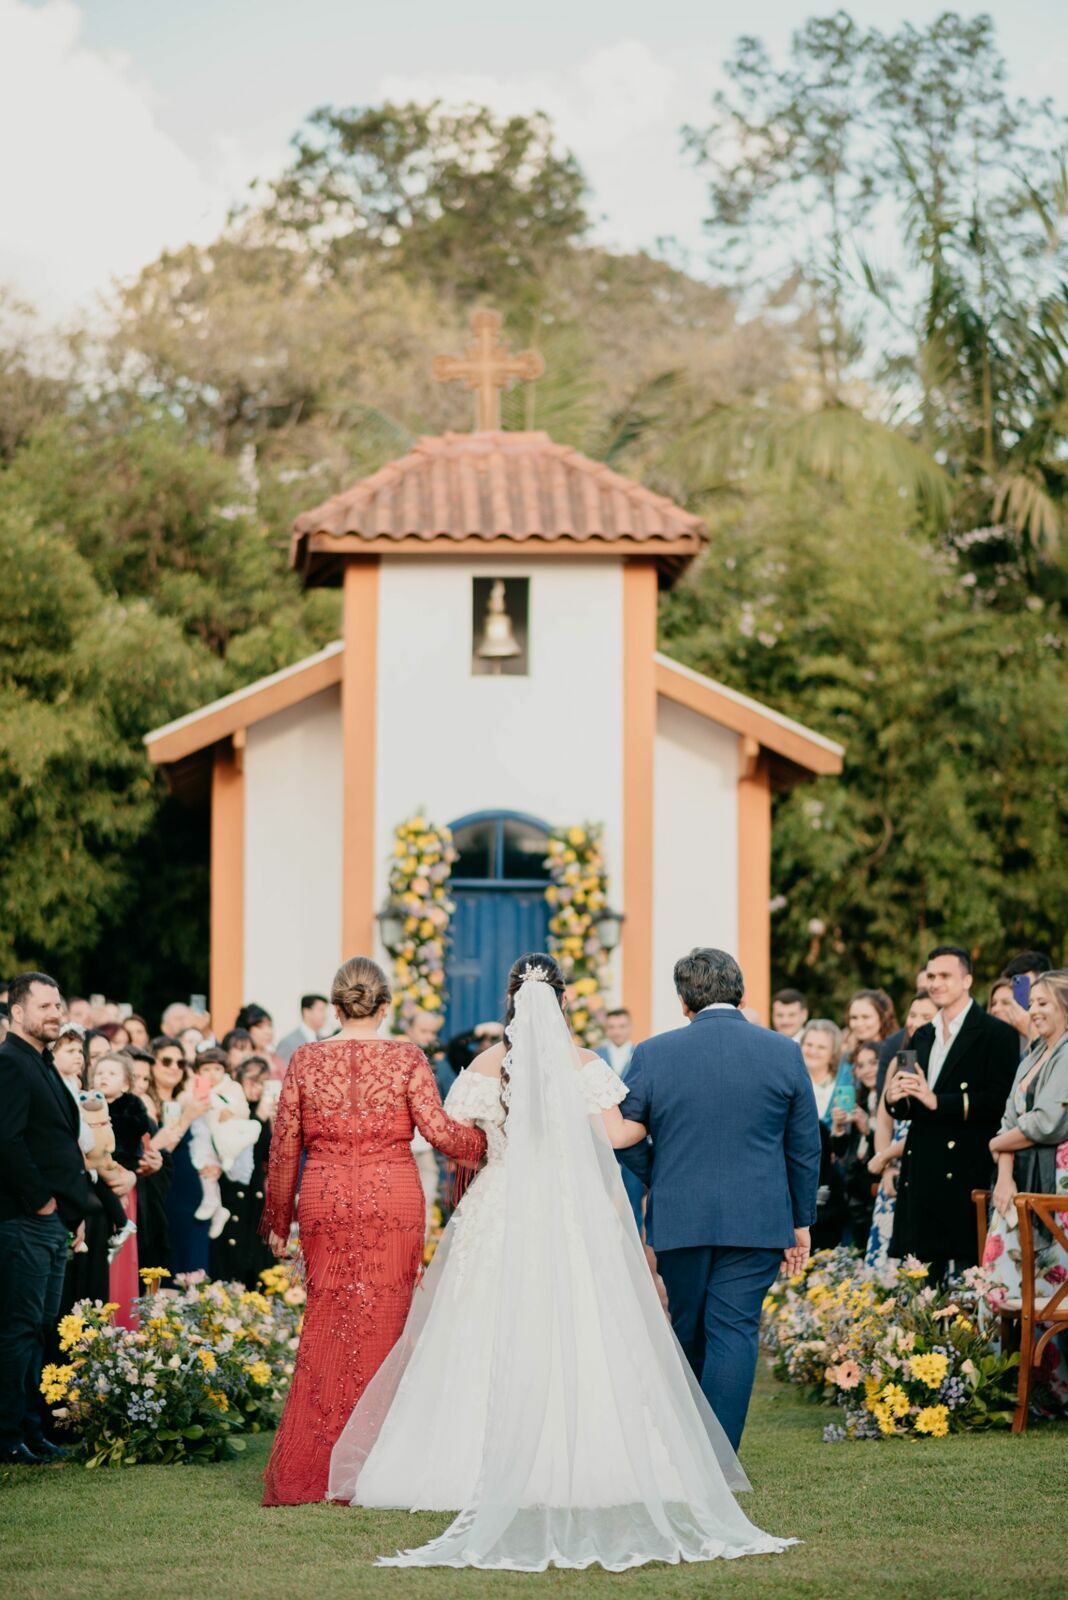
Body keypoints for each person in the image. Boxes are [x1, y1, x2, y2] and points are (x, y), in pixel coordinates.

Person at [328, 952, 795, 1572]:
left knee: (483, 1322)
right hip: (571, 1208)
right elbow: (620, 1135)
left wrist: (493, 1149)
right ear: (564, 1001)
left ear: (512, 1000)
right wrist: (652, 1126)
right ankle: (598, 1456)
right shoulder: (586, 1066)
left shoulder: (487, 1064)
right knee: (580, 1318)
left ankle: (451, 1461)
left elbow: (445, 1134)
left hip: (501, 1204)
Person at [261, 956, 487, 1507]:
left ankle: (312, 1469)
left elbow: (285, 1143)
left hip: (324, 1197)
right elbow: (437, 1130)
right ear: (384, 1008)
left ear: (335, 1007)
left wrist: (276, 1220)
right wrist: (487, 1142)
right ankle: (378, 1464)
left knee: (327, 1320)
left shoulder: (306, 1059)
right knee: (388, 1323)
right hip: (392, 1198)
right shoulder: (407, 1057)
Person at [618, 948, 820, 1455]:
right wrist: (801, 1221)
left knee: (687, 1326)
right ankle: (717, 1459)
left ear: (685, 1001)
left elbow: (622, 1136)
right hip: (758, 1217)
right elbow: (803, 1145)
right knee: (734, 1329)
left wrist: (658, 1175)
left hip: (680, 1215)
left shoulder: (652, 1053)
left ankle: (690, 1454)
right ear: (742, 992)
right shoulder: (783, 1051)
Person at [888, 945, 1020, 1277]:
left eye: (945, 975)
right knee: (923, 1281)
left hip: (966, 1168)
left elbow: (1000, 1102)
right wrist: (894, 1097)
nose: (936, 983)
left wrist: (939, 1102)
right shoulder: (923, 1033)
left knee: (969, 1276)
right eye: (931, 976)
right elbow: (910, 1104)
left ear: (967, 980)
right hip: (923, 1170)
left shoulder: (996, 1034)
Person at [0, 973, 88, 1464]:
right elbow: (6, 1141)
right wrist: (43, 1203)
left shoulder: (43, 1064)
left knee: (39, 1328)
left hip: (53, 1225)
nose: (55, 1013)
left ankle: (31, 1430)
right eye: (45, 1006)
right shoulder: (11, 1063)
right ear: (17, 1012)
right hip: (25, 1221)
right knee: (18, 1328)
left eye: (58, 1006)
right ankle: (8, 1434)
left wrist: (70, 1213)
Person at [982, 969, 1068, 1408]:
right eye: (1031, 1003)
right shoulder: (1033, 1052)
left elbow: (1047, 1122)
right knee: (1000, 1279)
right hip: (1020, 1180)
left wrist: (998, 1142)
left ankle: (1051, 1389)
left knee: (1050, 1285)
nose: (1032, 1011)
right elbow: (1010, 1121)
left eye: (1043, 1003)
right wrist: (1004, 1174)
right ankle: (1000, 1380)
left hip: (1058, 1186)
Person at [865, 990, 938, 1282]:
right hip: (893, 1166)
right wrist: (886, 1166)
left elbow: (927, 1127)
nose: (916, 1022)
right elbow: (884, 1120)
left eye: (925, 1016)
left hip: (920, 1160)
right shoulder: (903, 1059)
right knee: (885, 1263)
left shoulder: (938, 1062)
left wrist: (885, 1155)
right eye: (913, 1014)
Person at [146, 1036, 212, 1275]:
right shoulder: (147, 1103)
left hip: (192, 1192)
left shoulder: (184, 1099)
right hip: (166, 1193)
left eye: (180, 1062)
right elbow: (157, 1152)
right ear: (152, 1063)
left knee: (195, 1272)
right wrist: (187, 1117)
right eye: (166, 1061)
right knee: (170, 1270)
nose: (174, 1067)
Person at [210, 1056, 276, 1289]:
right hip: (232, 1188)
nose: (257, 1089)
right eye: (254, 1081)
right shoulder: (232, 1106)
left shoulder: (259, 1111)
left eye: (262, 1084)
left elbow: (266, 1153)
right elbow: (240, 1147)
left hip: (254, 1192)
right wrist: (258, 1117)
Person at [192, 1049, 261, 1238]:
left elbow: (244, 1110)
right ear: (198, 1071)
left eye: (217, 1068)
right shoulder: (197, 1089)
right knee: (204, 1167)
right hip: (207, 1138)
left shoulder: (232, 1087)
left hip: (228, 1135)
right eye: (206, 1069)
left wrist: (231, 1111)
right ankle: (214, 1205)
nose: (212, 1074)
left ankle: (226, 1160)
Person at [595, 1008, 644, 1232]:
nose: (617, 1031)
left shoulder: (641, 1055)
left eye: (622, 1026)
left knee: (632, 1197)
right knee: (599, 1194)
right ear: (607, 1029)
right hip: (601, 1136)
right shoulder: (596, 1056)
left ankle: (634, 1251)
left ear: (630, 1027)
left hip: (632, 1136)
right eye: (612, 1027)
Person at [996, 950, 1052, 1055]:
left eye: (1025, 987)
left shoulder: (1059, 1027)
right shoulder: (1003, 1032)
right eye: (1014, 988)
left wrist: (1032, 1033)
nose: (1020, 994)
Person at [276, 994, 331, 1067]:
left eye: (325, 1010)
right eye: (321, 1010)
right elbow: (283, 1072)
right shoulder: (288, 1042)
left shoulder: (324, 1040)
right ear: (306, 1012)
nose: (325, 1015)